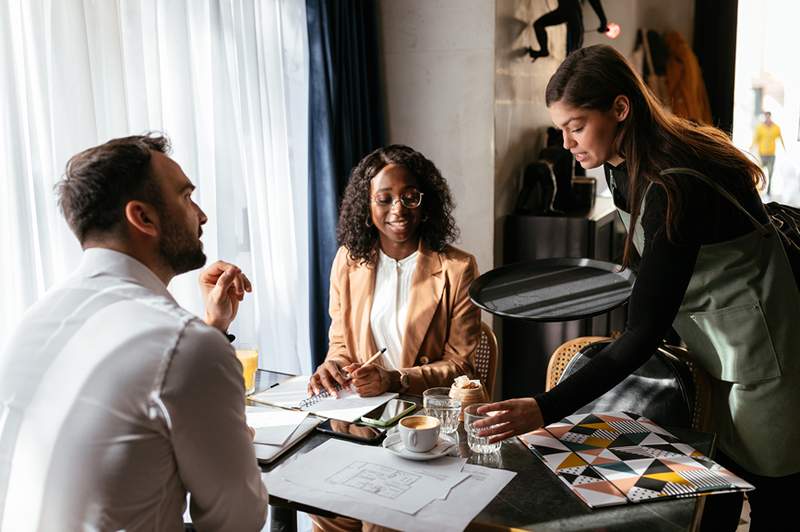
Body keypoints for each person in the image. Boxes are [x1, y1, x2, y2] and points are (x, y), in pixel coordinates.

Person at [474, 45, 800, 531]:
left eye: (577, 126)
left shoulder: (676, 185)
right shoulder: (620, 164)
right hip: (712, 340)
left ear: (620, 109)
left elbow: (641, 333)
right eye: (561, 128)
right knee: (716, 487)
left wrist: (543, 408)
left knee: (774, 494)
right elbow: (656, 269)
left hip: (766, 354)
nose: (567, 144)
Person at [0, 134, 268, 531]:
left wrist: (213, 328)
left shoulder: (35, 321)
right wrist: (238, 437)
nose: (202, 215)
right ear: (143, 217)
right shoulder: (184, 344)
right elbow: (237, 522)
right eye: (186, 196)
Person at [310, 145, 481, 532]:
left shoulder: (457, 268)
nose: (398, 209)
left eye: (409, 197)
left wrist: (394, 379)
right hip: (355, 425)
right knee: (321, 506)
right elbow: (340, 342)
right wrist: (331, 367)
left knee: (380, 524)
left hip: (422, 430)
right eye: (384, 199)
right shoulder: (347, 260)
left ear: (426, 201)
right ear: (366, 205)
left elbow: (462, 366)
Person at [525, 0, 609, 61]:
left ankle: (544, 50)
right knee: (538, 25)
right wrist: (603, 21)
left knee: (573, 55)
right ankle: (544, 50)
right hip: (567, 11)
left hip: (570, 12)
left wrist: (603, 21)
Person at [751, 111, 785, 195]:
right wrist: (751, 147)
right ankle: (759, 190)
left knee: (770, 174)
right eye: (766, 117)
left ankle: (768, 191)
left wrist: (784, 149)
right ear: (764, 117)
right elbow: (756, 138)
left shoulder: (776, 127)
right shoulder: (760, 128)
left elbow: (780, 138)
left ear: (770, 117)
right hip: (762, 154)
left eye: (769, 117)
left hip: (771, 155)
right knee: (760, 173)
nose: (767, 118)